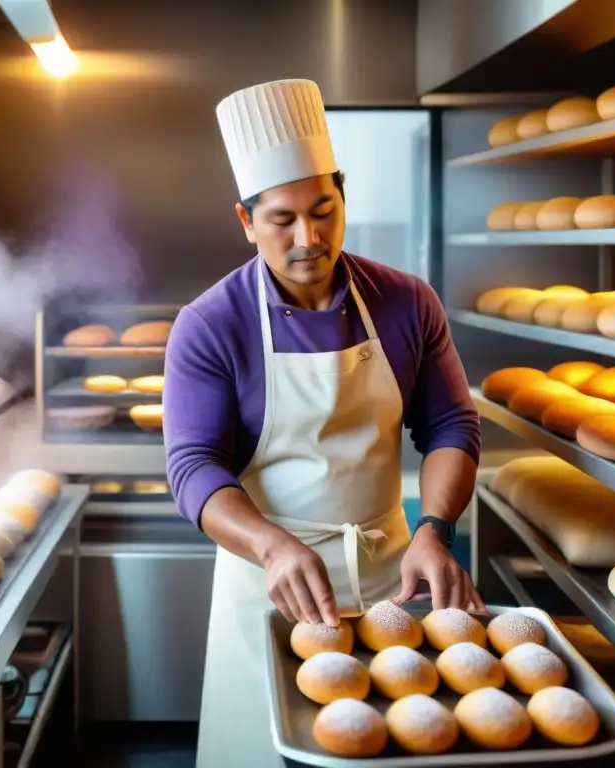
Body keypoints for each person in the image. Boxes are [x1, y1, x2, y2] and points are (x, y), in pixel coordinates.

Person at [162, 79, 482, 767]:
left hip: (395, 578)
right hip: (267, 587)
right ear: (245, 221)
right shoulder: (210, 325)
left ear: (342, 197)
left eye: (323, 211)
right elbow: (193, 468)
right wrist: (272, 547)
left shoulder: (405, 302)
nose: (308, 238)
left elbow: (452, 424)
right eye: (281, 219)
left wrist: (435, 527)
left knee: (398, 742)